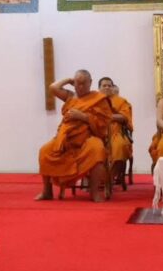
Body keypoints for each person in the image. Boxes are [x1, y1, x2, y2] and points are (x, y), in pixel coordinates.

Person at [36, 70, 113, 202]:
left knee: (97, 150)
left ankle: (95, 192)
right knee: (44, 151)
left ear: (90, 83)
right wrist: (68, 80)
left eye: (83, 83)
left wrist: (83, 117)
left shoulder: (98, 99)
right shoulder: (70, 96)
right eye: (78, 83)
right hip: (66, 138)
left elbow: (104, 124)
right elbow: (53, 88)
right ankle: (47, 191)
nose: (80, 87)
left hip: (88, 137)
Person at [98, 77, 133, 185]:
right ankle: (96, 178)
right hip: (97, 133)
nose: (107, 88)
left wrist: (107, 117)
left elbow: (125, 117)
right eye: (104, 86)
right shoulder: (94, 100)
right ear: (99, 88)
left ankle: (108, 179)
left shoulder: (120, 101)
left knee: (120, 146)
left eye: (109, 85)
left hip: (115, 132)